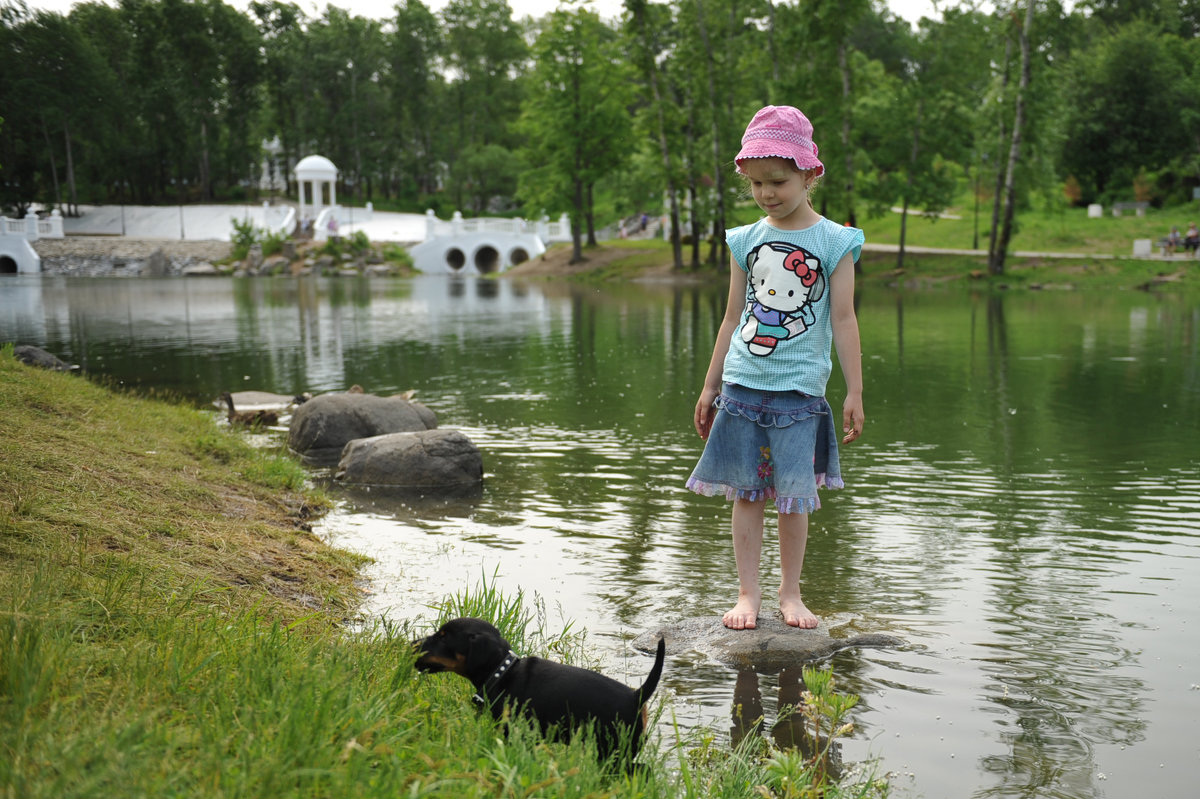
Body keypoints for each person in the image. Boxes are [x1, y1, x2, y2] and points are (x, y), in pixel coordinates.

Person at [686, 105, 864, 631]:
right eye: (757, 183)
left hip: (799, 395)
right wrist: (709, 383)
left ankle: (791, 593)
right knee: (746, 494)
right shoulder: (744, 240)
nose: (767, 193)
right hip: (742, 388)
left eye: (779, 181)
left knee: (793, 499)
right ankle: (747, 594)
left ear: (810, 174)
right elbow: (732, 315)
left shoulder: (836, 242)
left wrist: (854, 391)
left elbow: (846, 319)